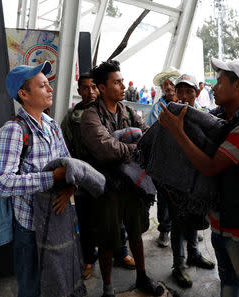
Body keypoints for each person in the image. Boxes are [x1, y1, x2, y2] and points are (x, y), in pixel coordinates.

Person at [159, 57, 239, 297]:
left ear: (238, 86)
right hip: (223, 219)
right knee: (228, 278)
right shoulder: (225, 117)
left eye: (220, 81)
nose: (213, 87)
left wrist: (177, 131)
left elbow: (211, 167)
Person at [80, 60, 163, 297]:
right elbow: (105, 148)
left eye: (122, 81)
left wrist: (130, 145)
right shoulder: (90, 116)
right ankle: (107, 288)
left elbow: (147, 135)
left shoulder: (127, 110)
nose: (123, 86)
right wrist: (135, 149)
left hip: (131, 186)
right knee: (107, 240)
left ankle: (142, 277)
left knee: (136, 234)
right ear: (102, 88)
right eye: (117, 82)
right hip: (106, 189)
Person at [0, 61, 73, 297]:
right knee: (31, 288)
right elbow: (1, 183)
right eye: (42, 86)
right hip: (29, 229)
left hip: (54, 221)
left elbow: (67, 163)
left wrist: (68, 188)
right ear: (24, 94)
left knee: (55, 282)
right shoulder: (13, 131)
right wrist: (50, 179)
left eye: (49, 84)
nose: (50, 89)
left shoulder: (51, 124)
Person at [60, 73, 135, 278]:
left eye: (93, 87)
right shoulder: (71, 117)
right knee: (85, 220)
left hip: (110, 173)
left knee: (116, 217)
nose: (90, 92)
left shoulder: (110, 110)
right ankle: (88, 258)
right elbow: (66, 150)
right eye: (85, 88)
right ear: (79, 91)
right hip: (84, 176)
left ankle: (121, 252)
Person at [162, 73, 216, 288]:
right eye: (180, 91)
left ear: (198, 92)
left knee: (194, 218)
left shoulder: (204, 116)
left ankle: (193, 254)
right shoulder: (167, 117)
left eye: (189, 91)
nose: (184, 96)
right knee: (178, 223)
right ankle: (179, 265)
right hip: (174, 184)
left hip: (196, 183)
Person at [146, 66, 180, 247]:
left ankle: (185, 229)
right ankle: (165, 230)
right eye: (165, 84)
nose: (168, 86)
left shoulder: (185, 102)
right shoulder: (156, 108)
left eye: (170, 83)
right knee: (165, 197)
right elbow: (154, 130)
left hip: (184, 159)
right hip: (164, 160)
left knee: (185, 196)